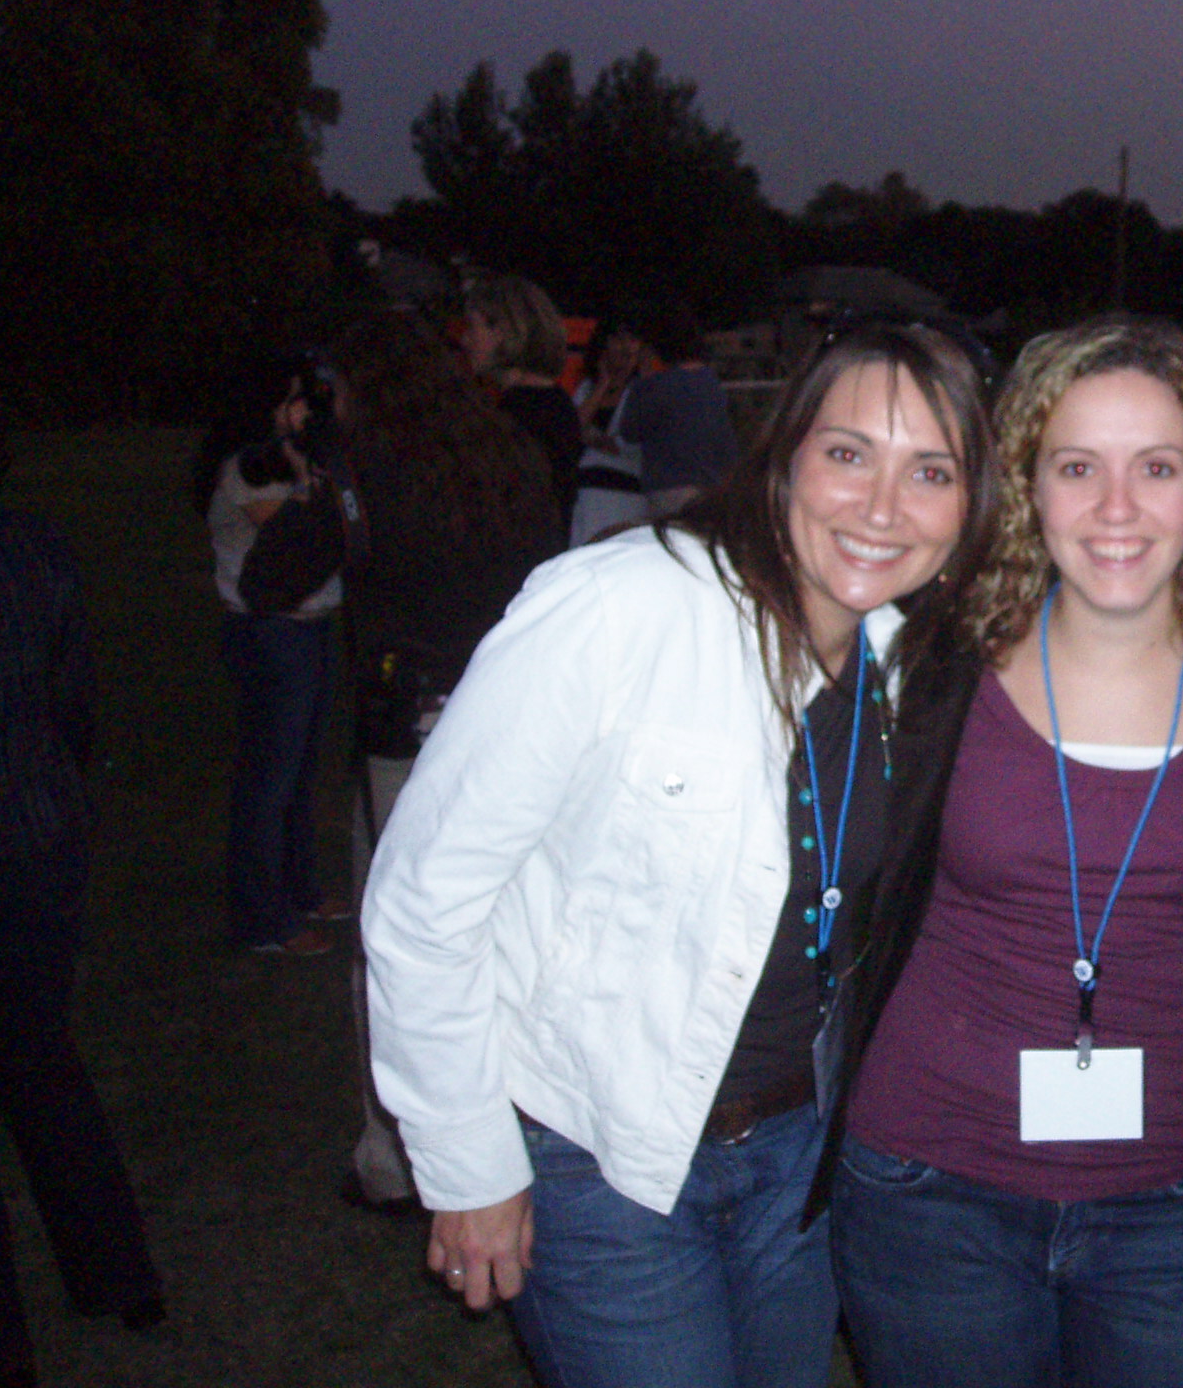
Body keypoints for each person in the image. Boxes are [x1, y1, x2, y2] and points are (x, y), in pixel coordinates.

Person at [361, 322, 994, 1388]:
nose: (883, 507)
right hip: (602, 1160)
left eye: (930, 471)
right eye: (848, 453)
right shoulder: (622, 607)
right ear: (784, 453)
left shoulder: (908, 665)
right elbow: (426, 896)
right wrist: (468, 1164)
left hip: (799, 1153)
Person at [827, 316, 1183, 1388]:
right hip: (930, 1188)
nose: (1116, 508)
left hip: (1168, 1203)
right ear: (1027, 486)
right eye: (1077, 467)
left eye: (1157, 468)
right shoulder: (929, 663)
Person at [241, 312, 563, 1210]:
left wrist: (317, 482)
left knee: (402, 944)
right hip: (515, 722)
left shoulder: (366, 469)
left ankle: (398, 1156)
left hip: (413, 733)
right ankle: (524, 1124)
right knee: (509, 934)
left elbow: (269, 580)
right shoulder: (505, 455)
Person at [0, 407, 163, 1388]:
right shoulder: (33, 546)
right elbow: (73, 701)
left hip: (28, 827)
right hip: (36, 834)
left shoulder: (31, 547)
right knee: (42, 1060)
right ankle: (117, 1274)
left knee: (39, 1061)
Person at [201, 353, 345, 957]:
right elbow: (295, 530)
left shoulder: (300, 461)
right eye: (291, 400)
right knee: (270, 778)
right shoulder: (247, 468)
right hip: (270, 632)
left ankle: (300, 891)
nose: (303, 410)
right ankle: (263, 920)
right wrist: (313, 481)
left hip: (308, 628)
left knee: (300, 772)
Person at [462, 275, 584, 528]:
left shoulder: (521, 412)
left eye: (473, 327)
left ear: (503, 332)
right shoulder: (552, 403)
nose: (465, 339)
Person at [617, 300, 739, 515]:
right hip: (709, 485)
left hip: (669, 486)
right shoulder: (709, 382)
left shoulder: (657, 385)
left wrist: (644, 379)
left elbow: (630, 430)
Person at [569, 317, 646, 546]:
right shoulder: (586, 389)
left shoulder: (642, 392)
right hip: (588, 495)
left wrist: (599, 441)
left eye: (632, 340)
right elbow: (572, 428)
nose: (626, 347)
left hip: (627, 494)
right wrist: (603, 384)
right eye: (619, 339)